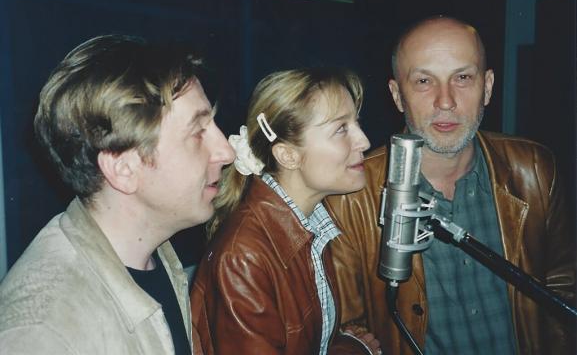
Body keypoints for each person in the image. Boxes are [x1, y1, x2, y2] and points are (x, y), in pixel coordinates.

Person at [324, 16, 575, 354]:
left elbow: (562, 282)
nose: (446, 101)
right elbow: (345, 325)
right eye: (424, 81)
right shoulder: (348, 196)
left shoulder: (534, 169)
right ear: (397, 95)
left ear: (487, 87)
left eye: (462, 78)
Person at [0, 35, 235, 354]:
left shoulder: (156, 254)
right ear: (124, 169)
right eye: (198, 133)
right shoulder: (44, 333)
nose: (226, 151)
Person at [190, 68, 381, 354]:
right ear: (288, 155)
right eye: (341, 129)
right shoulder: (244, 258)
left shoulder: (311, 226)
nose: (364, 141)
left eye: (356, 123)